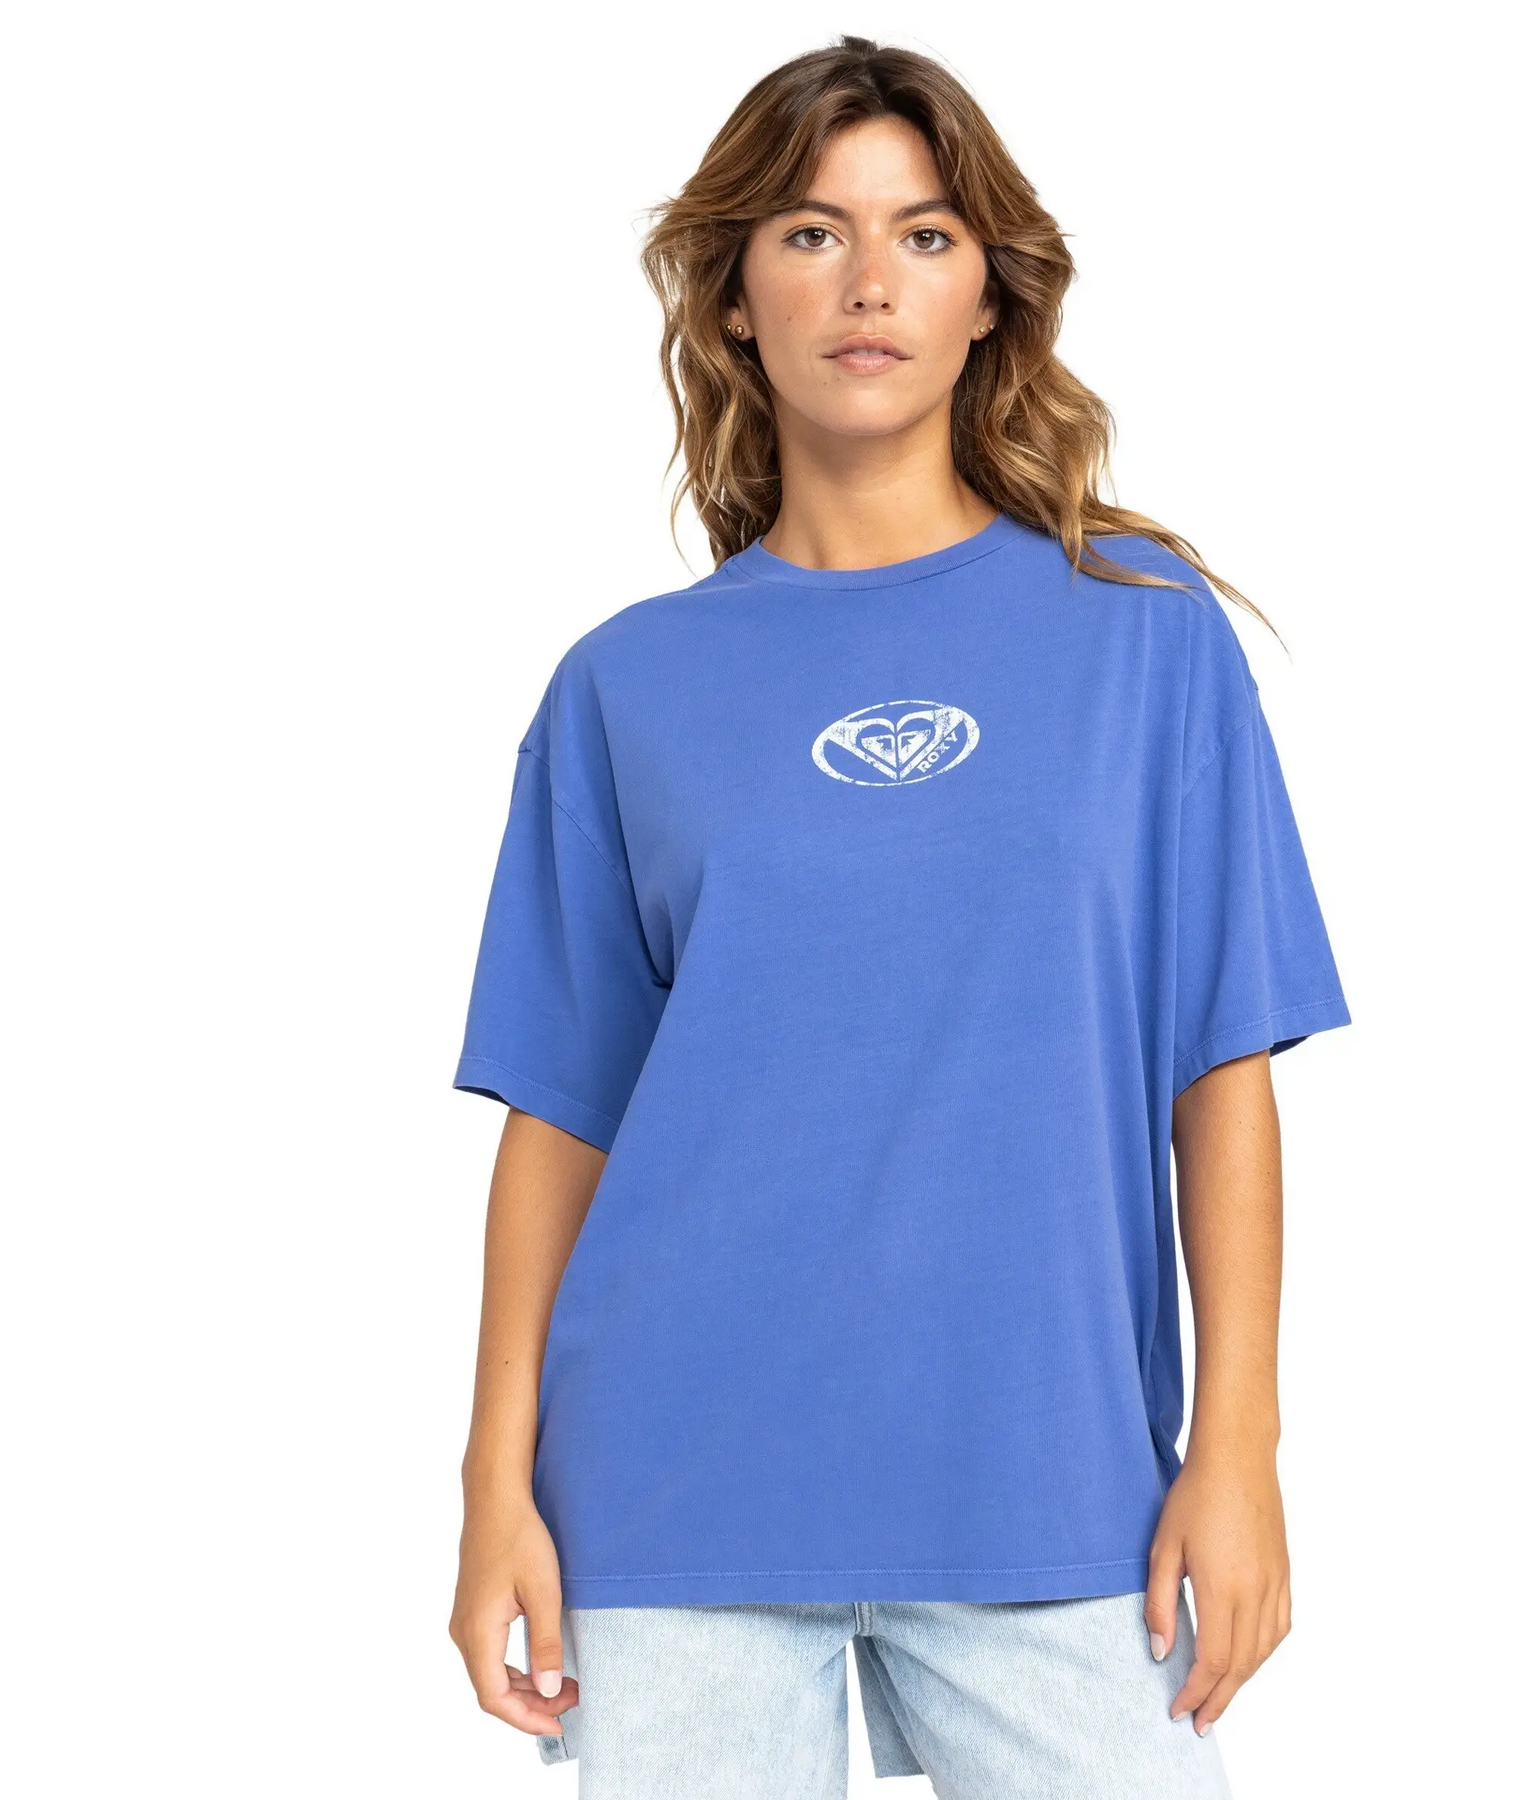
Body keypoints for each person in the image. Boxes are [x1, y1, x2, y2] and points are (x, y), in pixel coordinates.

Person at [448, 36, 1348, 1800]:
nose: (870, 282)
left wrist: (1237, 1442)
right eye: (811, 232)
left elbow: (1220, 1064)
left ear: (989, 297)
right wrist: (493, 1486)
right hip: (672, 1497)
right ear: (731, 302)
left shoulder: (1145, 639)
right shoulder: (626, 687)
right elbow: (561, 1117)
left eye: (925, 235)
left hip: (1052, 1481)